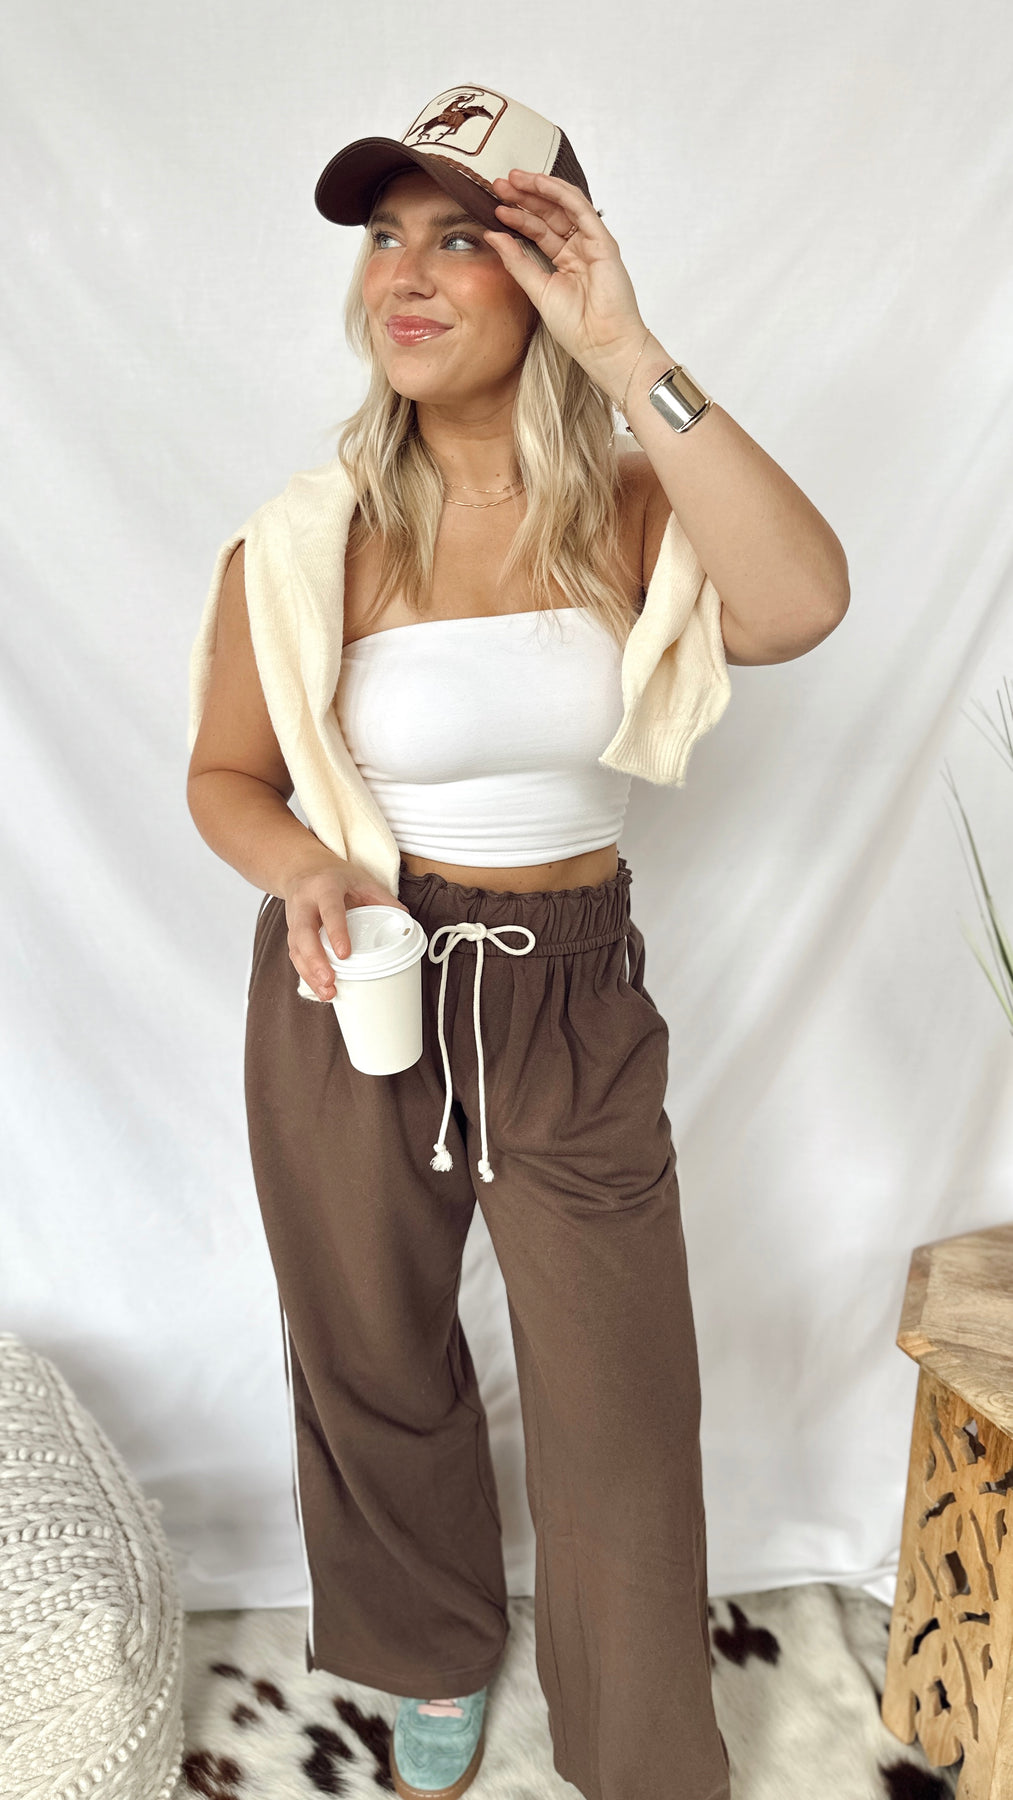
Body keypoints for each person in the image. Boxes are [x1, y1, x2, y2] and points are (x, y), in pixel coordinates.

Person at [186, 82, 849, 1800]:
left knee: (619, 1408)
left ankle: (641, 1757)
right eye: (382, 237)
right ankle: (422, 1656)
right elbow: (227, 777)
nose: (403, 276)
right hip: (356, 976)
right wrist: (303, 872)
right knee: (372, 1355)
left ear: (548, 268)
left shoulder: (633, 505)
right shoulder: (305, 538)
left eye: (459, 240)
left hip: (567, 990)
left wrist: (629, 351)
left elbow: (799, 602)